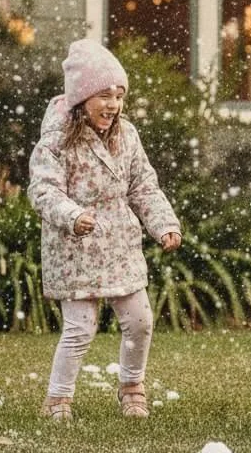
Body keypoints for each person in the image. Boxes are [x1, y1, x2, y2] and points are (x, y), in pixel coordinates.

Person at [28, 39, 181, 421]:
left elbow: (143, 185)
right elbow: (43, 190)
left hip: (119, 245)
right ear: (82, 98)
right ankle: (58, 399)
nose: (113, 104)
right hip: (76, 248)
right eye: (104, 94)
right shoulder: (56, 140)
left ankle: (132, 386)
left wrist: (163, 224)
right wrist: (71, 214)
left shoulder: (126, 135)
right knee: (79, 329)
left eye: (119, 95)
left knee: (140, 322)